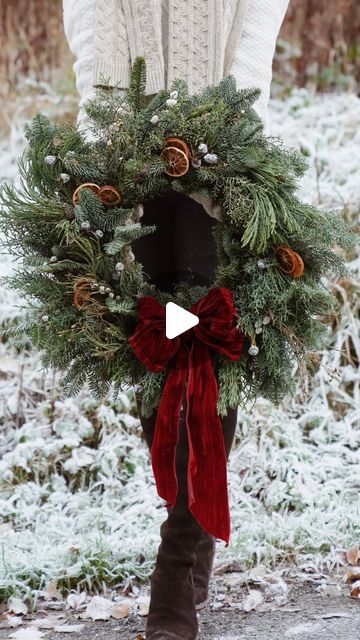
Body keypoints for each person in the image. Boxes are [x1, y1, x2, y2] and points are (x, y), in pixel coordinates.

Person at [62, 2, 290, 638]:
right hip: (122, 149)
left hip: (218, 145)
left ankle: (176, 559)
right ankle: (190, 517)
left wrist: (236, 107)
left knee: (208, 341)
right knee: (149, 342)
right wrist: (101, 115)